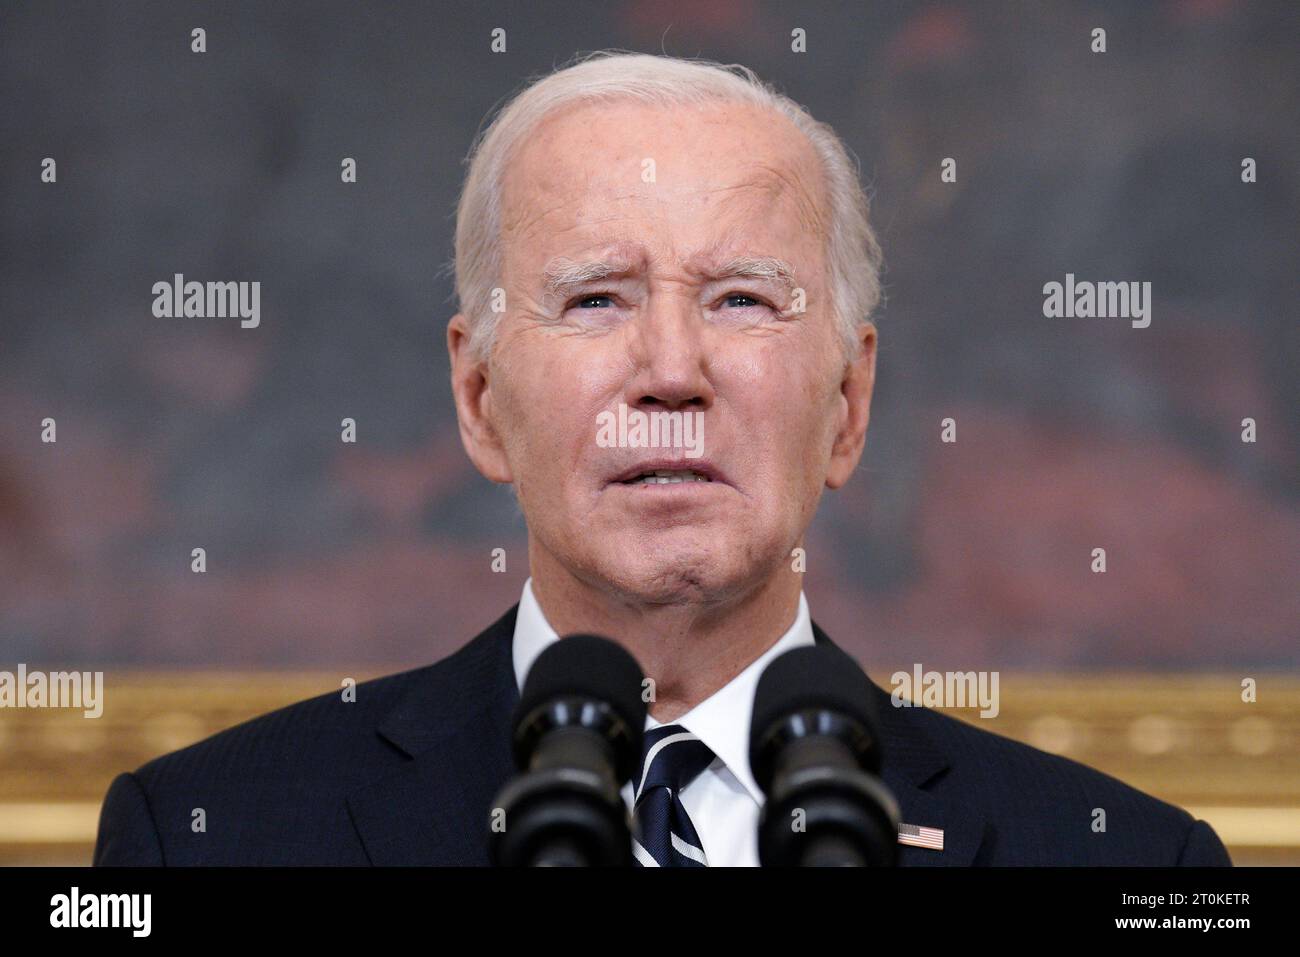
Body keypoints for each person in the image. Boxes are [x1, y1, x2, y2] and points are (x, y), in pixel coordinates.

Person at [94, 51, 1230, 867]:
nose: (671, 370)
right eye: (595, 299)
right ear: (480, 398)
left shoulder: (1125, 862)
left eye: (742, 299)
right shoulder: (209, 837)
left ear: (848, 405)